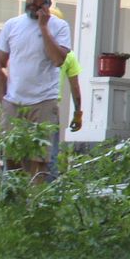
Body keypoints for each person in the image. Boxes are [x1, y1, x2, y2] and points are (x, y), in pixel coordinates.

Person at [0, 0, 71, 180]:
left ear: (48, 2)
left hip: (43, 101)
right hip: (14, 101)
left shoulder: (59, 27)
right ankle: (14, 203)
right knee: (11, 157)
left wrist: (44, 28)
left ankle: (35, 203)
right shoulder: (12, 25)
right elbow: (2, 64)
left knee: (40, 160)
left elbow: (58, 60)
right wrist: (3, 99)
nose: (32, 0)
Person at [47, 47, 83, 176]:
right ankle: (48, 193)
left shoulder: (35, 47)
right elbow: (75, 87)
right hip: (50, 107)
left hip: (25, 104)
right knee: (50, 156)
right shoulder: (69, 56)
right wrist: (78, 113)